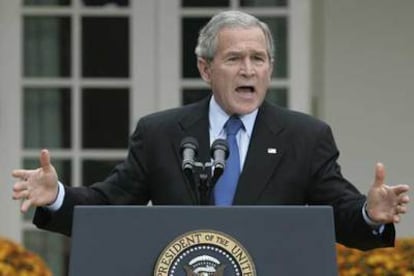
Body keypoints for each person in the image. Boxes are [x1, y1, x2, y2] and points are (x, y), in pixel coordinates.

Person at [12, 10, 409, 250]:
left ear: (270, 67)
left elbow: (340, 216)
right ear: (206, 69)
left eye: (258, 58)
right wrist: (57, 197)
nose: (248, 70)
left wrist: (370, 214)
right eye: (234, 58)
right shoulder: (160, 133)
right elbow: (109, 206)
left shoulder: (305, 136)